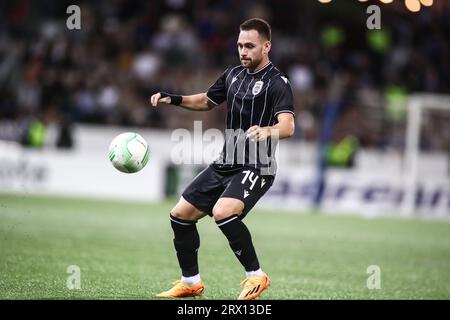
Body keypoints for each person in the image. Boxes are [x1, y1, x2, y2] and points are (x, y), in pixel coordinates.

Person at [150, 18, 295, 300]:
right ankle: (190, 282)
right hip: (225, 162)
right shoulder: (233, 75)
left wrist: (267, 130)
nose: (243, 51)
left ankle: (256, 276)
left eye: (250, 46)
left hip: (258, 165)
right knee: (180, 215)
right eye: (240, 45)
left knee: (223, 211)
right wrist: (174, 98)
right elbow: (206, 100)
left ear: (267, 46)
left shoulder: (278, 83)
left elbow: (288, 126)